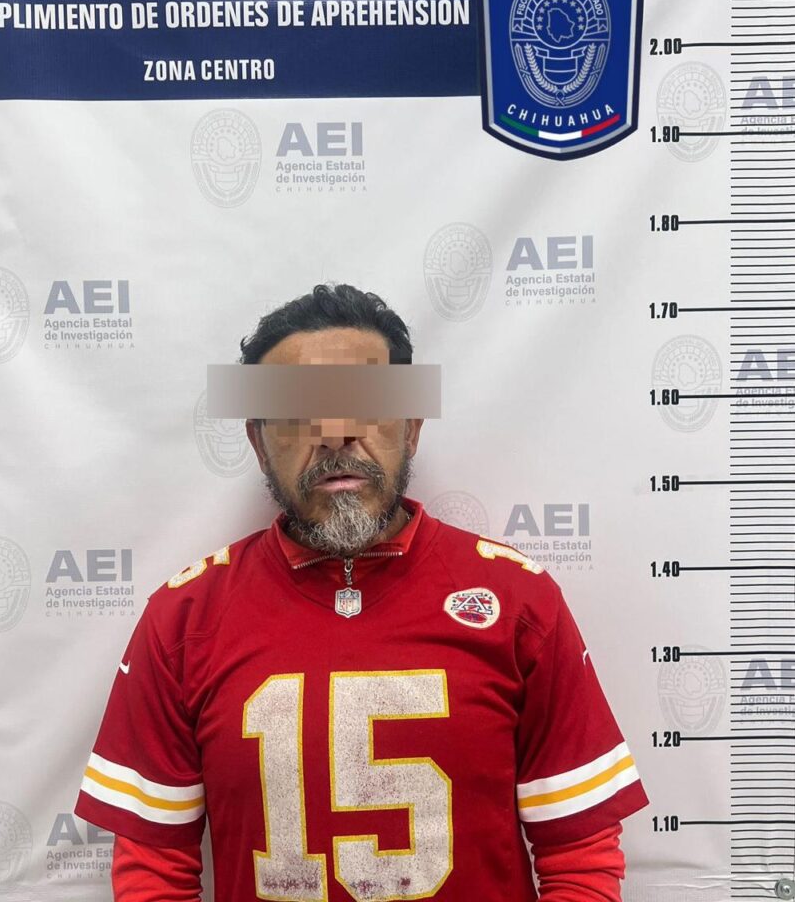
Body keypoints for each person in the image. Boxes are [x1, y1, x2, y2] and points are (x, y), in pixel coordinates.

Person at [74, 283, 649, 901]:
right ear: (258, 441)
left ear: (412, 427)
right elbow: (154, 870)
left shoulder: (517, 603)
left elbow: (579, 856)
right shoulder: (183, 620)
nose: (335, 432)